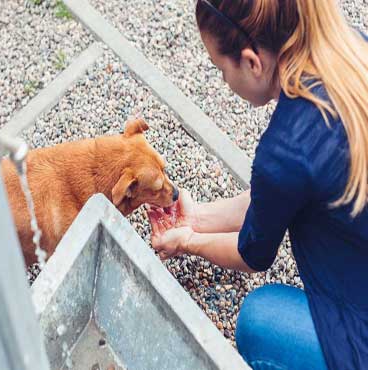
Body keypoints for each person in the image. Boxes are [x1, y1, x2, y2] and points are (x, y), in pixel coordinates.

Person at [147, 1, 368, 369]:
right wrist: (197, 217)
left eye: (220, 69)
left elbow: (253, 255)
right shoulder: (352, 54)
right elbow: (281, 193)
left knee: (259, 321)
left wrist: (187, 241)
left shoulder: (286, 147)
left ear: (252, 62)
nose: (223, 81)